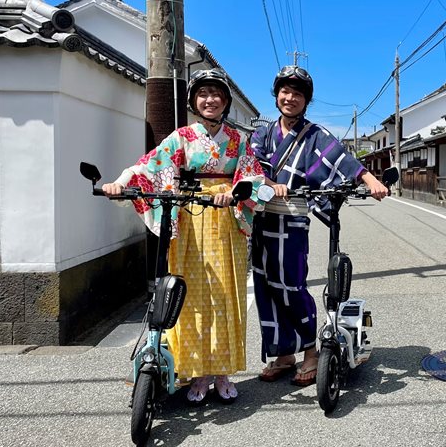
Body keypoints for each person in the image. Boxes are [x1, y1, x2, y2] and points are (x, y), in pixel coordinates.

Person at [101, 68, 264, 404]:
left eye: (216, 94)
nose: (210, 100)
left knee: (226, 296)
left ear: (226, 101)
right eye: (203, 94)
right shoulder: (181, 137)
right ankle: (196, 371)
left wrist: (235, 191)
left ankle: (222, 372)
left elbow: (254, 179)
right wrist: (120, 183)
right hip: (189, 220)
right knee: (188, 297)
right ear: (193, 101)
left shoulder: (238, 140)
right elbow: (149, 166)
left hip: (226, 223)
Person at [250, 65, 389, 386]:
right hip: (261, 218)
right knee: (266, 287)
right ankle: (284, 353)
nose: (290, 98)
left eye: (297, 94)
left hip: (292, 219)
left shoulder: (315, 134)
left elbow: (341, 158)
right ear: (276, 94)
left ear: (306, 100)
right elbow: (251, 165)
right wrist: (268, 182)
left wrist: (370, 180)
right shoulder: (262, 133)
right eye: (285, 91)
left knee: (291, 285)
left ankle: (311, 351)